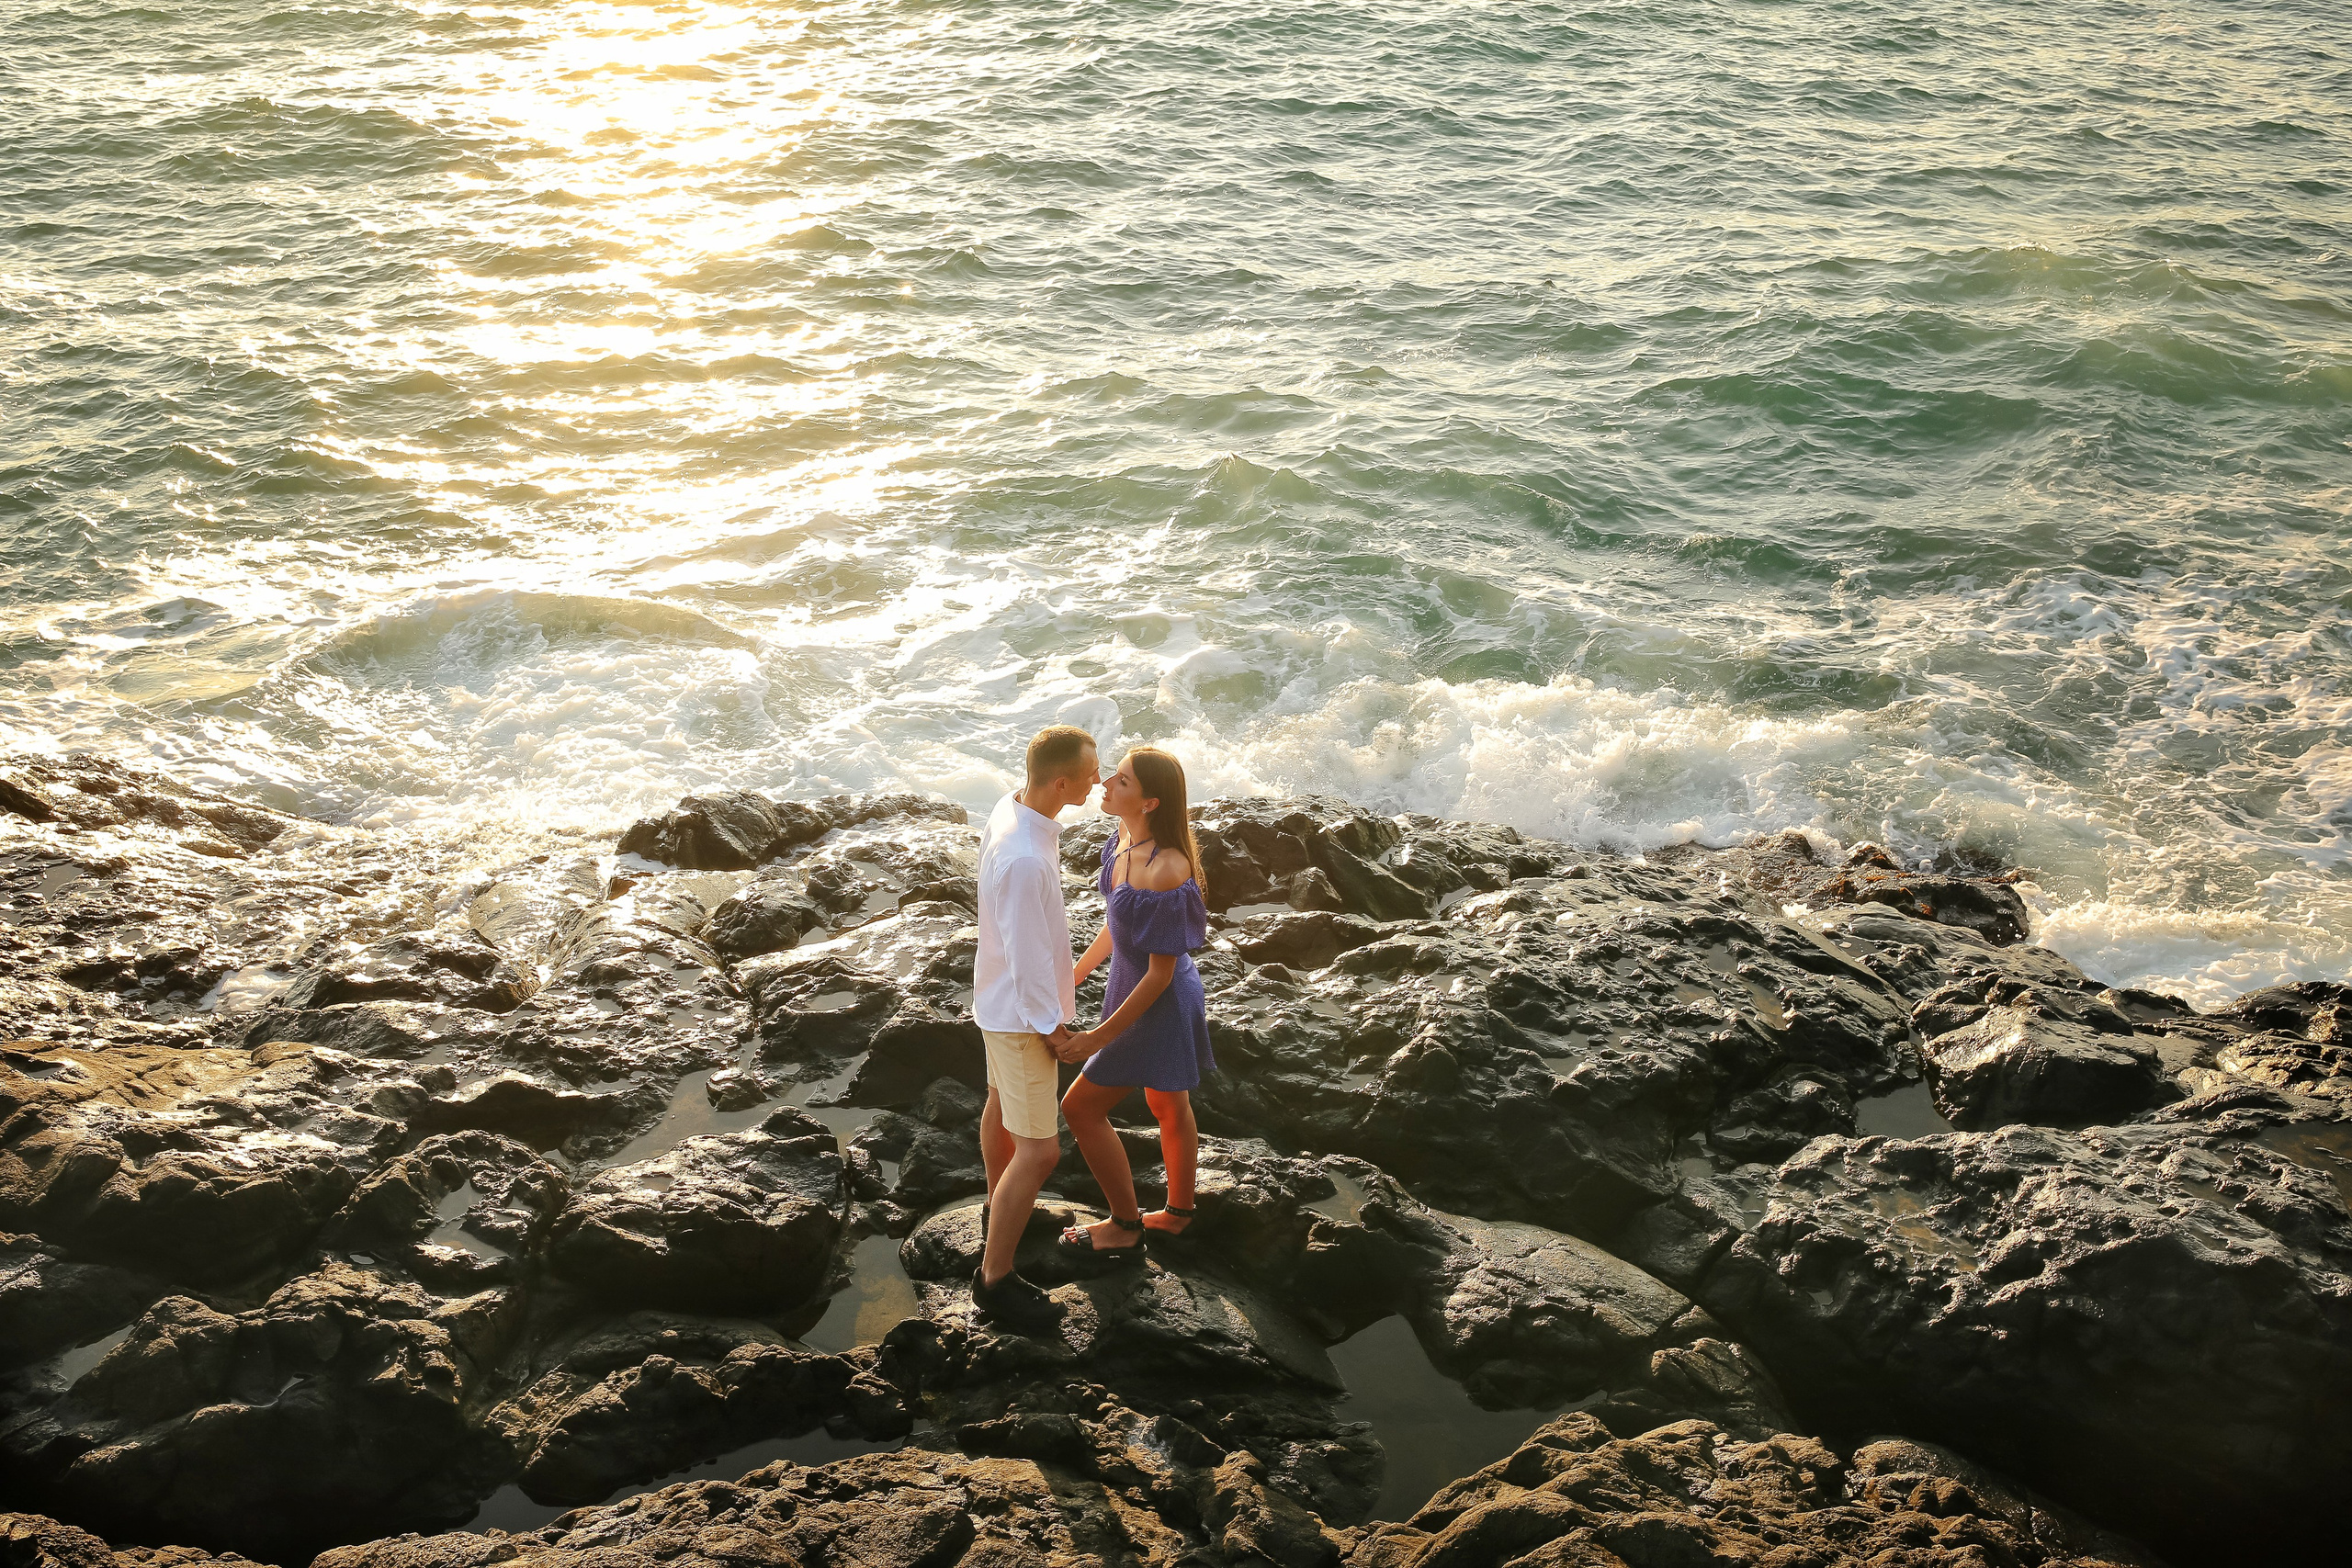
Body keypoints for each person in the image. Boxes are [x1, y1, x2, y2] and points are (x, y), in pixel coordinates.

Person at [1056, 746, 1215, 1267]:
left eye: (1120, 781)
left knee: (1079, 1107)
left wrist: (1096, 1039)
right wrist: (1073, 976)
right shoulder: (1120, 841)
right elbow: (1117, 928)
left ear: (1149, 802)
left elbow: (1160, 973)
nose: (1105, 784)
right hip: (1130, 986)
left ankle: (1125, 1225)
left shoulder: (1167, 868)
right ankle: (1180, 1212)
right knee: (1167, 1103)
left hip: (1159, 1002)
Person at [969, 722, 1099, 1329]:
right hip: (1022, 1018)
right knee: (1042, 1151)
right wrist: (1054, 1030)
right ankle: (995, 1278)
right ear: (1063, 780)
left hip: (998, 1004)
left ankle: (999, 1204)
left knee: (1000, 1102)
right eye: (1093, 771)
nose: (1101, 779)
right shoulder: (1024, 857)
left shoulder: (1013, 810)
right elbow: (1026, 954)